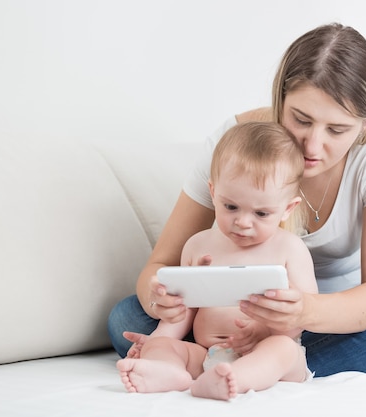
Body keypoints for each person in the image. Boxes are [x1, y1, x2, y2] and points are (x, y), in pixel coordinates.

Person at [108, 22, 366, 377]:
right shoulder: (234, 143)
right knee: (126, 316)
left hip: (336, 317)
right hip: (234, 317)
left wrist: (303, 312)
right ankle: (257, 365)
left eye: (336, 130)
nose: (312, 146)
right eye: (301, 119)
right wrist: (163, 300)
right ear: (279, 98)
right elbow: (160, 267)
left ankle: (232, 362)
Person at [116, 122, 318, 400]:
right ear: (213, 193)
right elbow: (184, 312)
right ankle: (167, 371)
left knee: (282, 349)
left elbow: (303, 315)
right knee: (161, 344)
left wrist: (263, 328)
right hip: (205, 353)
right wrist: (159, 338)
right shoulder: (198, 245)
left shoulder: (290, 249)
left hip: (264, 350)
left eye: (261, 213)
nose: (243, 222)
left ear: (287, 209)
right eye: (231, 206)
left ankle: (237, 378)